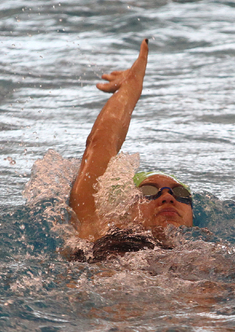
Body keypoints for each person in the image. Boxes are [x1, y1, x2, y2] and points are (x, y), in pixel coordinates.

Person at [69, 39, 193, 244]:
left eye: (180, 193)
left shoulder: (210, 253)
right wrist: (131, 86)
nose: (168, 198)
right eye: (149, 191)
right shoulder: (96, 231)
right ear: (123, 207)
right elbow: (100, 143)